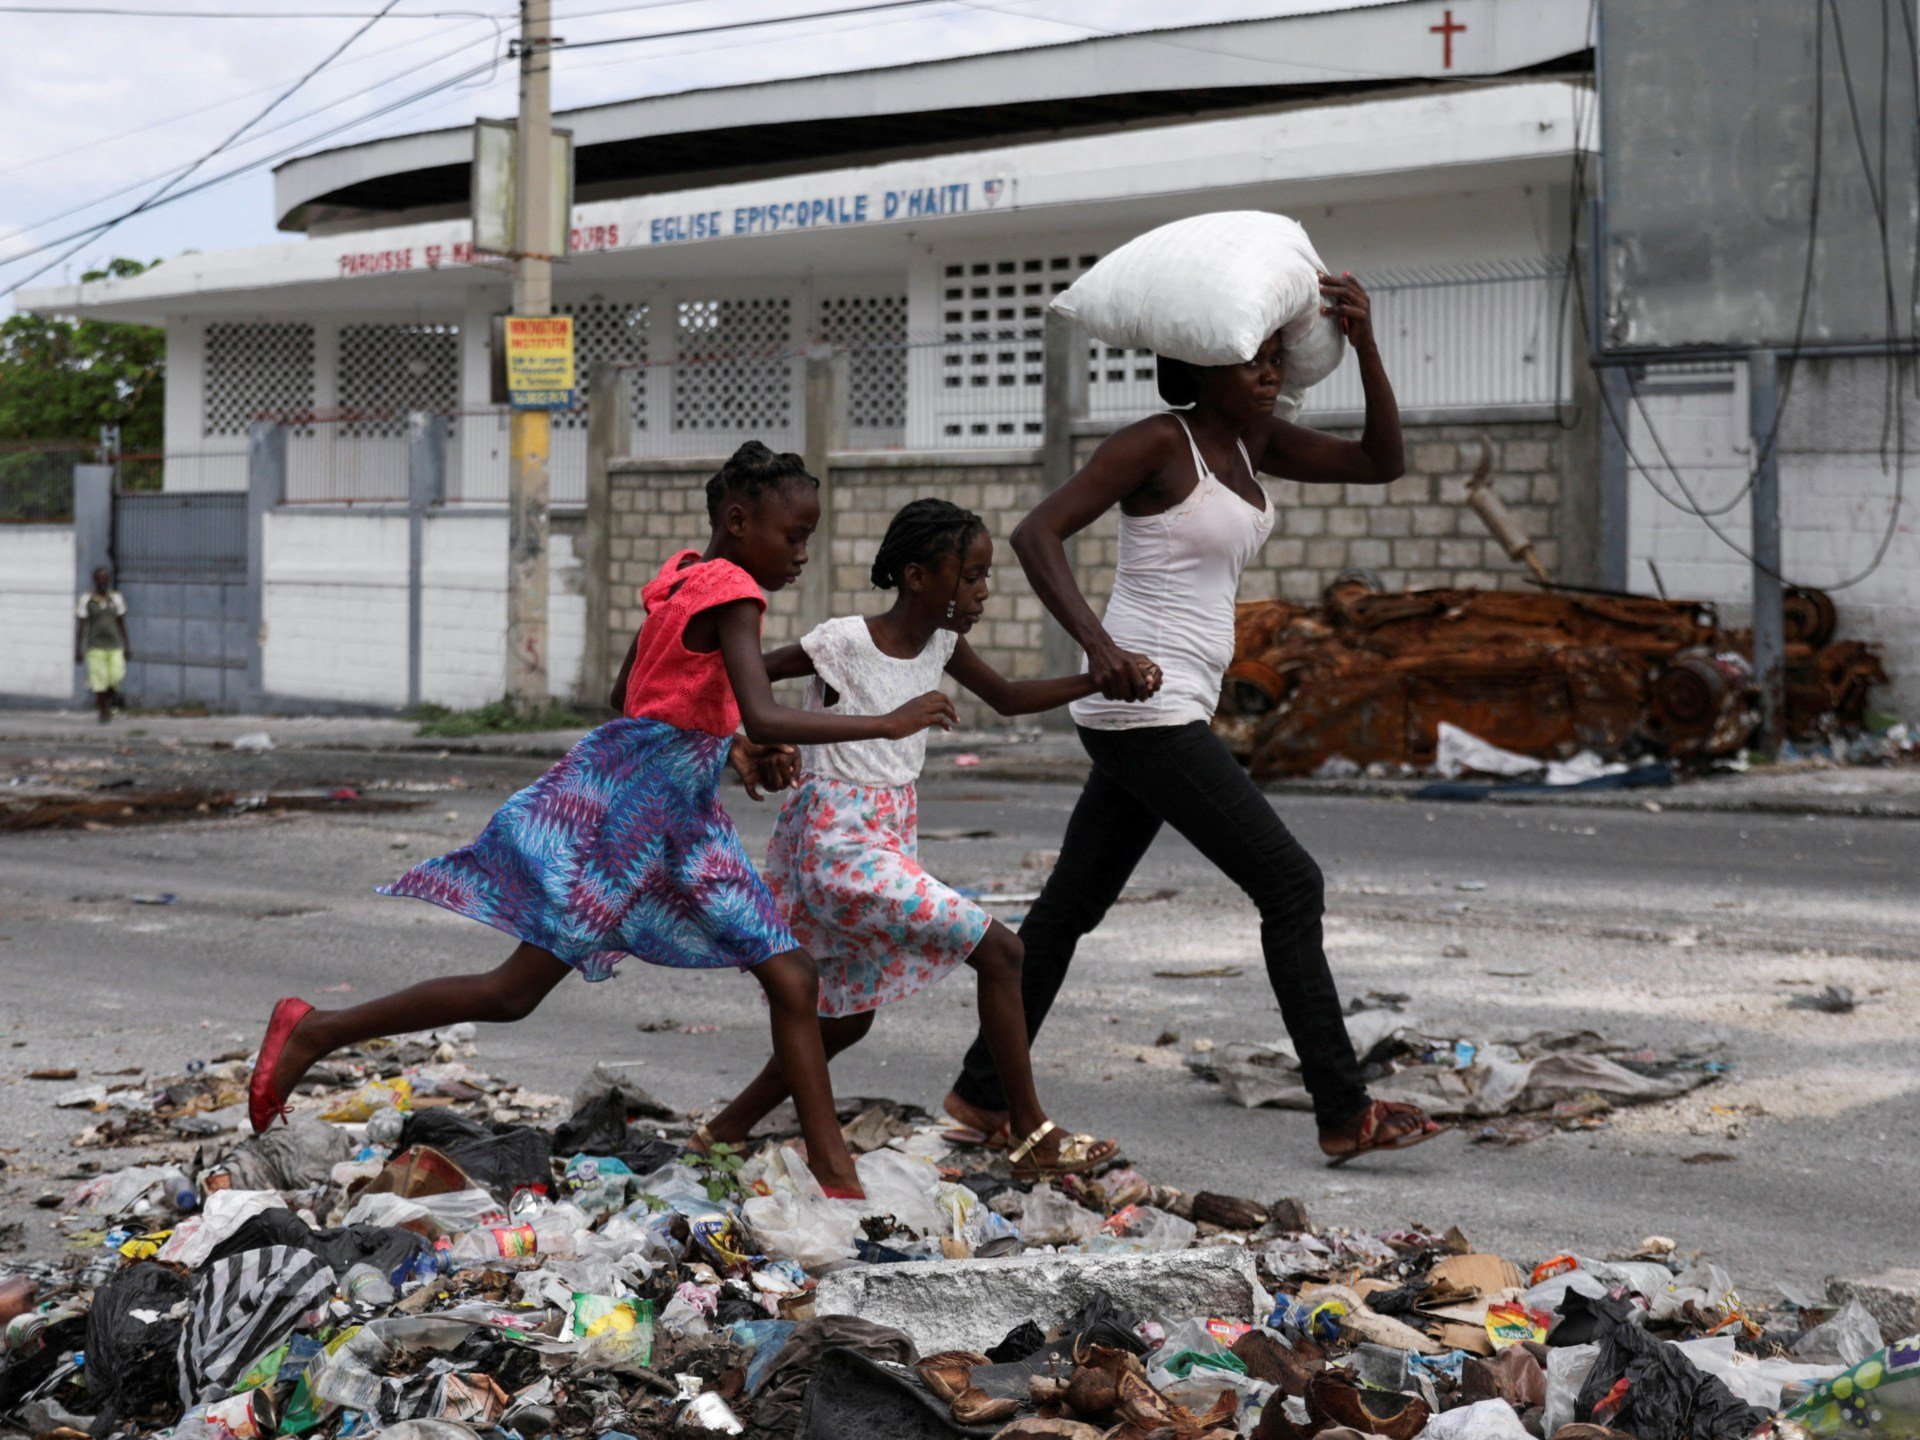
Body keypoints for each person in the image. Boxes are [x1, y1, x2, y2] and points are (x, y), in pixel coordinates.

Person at [246, 442, 956, 1200]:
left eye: (808, 537)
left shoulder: (682, 576)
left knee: (778, 974)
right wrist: (884, 724)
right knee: (535, 990)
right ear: (740, 521)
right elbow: (759, 704)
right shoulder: (732, 589)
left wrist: (733, 751)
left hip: (660, 809)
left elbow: (636, 693)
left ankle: (833, 1174)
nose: (802, 554)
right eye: (793, 536)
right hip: (636, 820)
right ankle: (314, 1029)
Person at [944, 273, 1444, 1167]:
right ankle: (1343, 1110)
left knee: (1067, 910)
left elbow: (1382, 462)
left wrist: (1365, 343)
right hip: (1144, 705)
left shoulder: (1255, 446)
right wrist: (1096, 646)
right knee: (1291, 885)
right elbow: (1036, 533)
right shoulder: (1156, 443)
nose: (1266, 369)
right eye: (1246, 357)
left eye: (1273, 355)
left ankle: (980, 1094)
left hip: (1164, 707)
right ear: (1199, 368)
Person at [693, 499, 1151, 1180]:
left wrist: (1100, 678)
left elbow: (1010, 697)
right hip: (834, 844)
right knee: (1001, 950)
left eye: (984, 578)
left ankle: (725, 1128)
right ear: (916, 575)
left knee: (847, 1020)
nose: (982, 592)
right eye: (969, 576)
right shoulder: (842, 641)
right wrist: (747, 742)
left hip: (887, 838)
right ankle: (1030, 1134)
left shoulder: (941, 644)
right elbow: (742, 674)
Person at [75, 566, 130, 724]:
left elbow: (121, 623)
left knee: (115, 677)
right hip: (95, 647)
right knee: (99, 681)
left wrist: (127, 645)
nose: (102, 581)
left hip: (114, 646)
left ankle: (108, 700)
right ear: (95, 580)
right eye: (99, 578)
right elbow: (81, 626)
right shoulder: (87, 599)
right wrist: (78, 649)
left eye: (105, 578)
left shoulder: (116, 598)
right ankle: (103, 711)